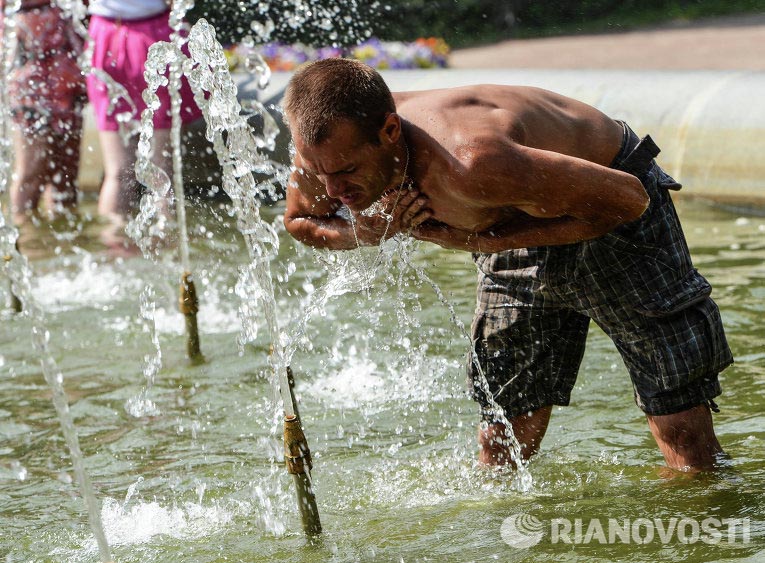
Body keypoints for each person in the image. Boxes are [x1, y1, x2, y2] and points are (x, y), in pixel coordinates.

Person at [281, 58, 734, 472]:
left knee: (682, 431)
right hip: (505, 224)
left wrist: (475, 239)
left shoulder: (471, 161)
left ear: (390, 132)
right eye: (320, 171)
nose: (333, 188)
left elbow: (631, 199)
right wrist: (363, 233)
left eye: (346, 172)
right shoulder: (324, 154)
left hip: (608, 203)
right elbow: (301, 221)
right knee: (501, 440)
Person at [86, 0, 202, 223]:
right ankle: (168, 246)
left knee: (118, 174)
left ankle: (112, 246)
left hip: (104, 38)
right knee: (162, 172)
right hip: (155, 35)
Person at [3, 0, 87, 225]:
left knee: (66, 172)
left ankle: (65, 244)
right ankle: (26, 242)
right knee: (32, 171)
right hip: (28, 59)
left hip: (66, 60)